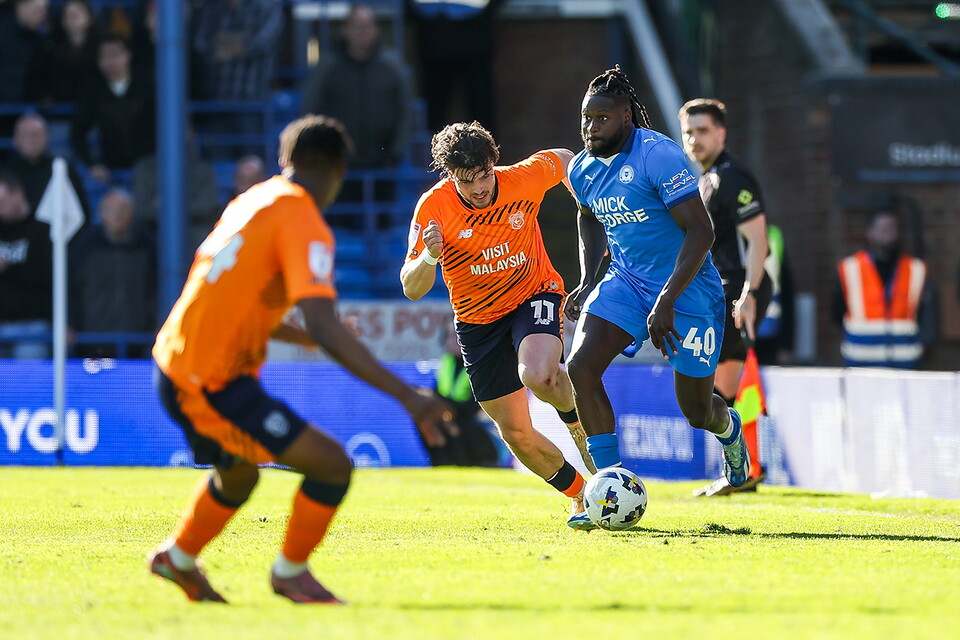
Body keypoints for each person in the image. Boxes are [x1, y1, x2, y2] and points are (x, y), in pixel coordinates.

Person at [148, 115, 453, 604]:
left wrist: (301, 331)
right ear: (332, 168)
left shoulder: (253, 201)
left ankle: (177, 559)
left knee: (240, 472)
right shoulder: (303, 218)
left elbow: (239, 295)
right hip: (209, 379)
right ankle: (290, 574)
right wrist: (408, 397)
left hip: (178, 360)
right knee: (331, 466)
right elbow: (325, 325)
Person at [563, 67, 750, 529]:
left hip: (688, 291)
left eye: (601, 119)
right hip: (626, 281)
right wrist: (590, 278)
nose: (591, 128)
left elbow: (701, 231)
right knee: (580, 368)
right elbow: (587, 215)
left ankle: (731, 434)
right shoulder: (582, 167)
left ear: (626, 117)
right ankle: (608, 484)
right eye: (586, 119)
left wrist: (666, 300)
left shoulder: (658, 155)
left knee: (697, 410)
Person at [400, 121, 596, 523]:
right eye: (468, 180)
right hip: (477, 323)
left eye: (485, 174)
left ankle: (580, 427)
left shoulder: (520, 179)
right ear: (451, 176)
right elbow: (411, 287)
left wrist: (588, 201)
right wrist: (428, 258)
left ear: (495, 163)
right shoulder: (433, 208)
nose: (480, 187)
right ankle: (583, 495)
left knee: (537, 374)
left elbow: (562, 160)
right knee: (516, 435)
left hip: (533, 292)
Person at [678, 98, 770, 496]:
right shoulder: (706, 178)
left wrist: (749, 294)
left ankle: (741, 473)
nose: (695, 139)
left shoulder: (732, 176)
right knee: (724, 386)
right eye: (689, 132)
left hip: (735, 290)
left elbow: (758, 239)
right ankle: (742, 472)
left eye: (702, 130)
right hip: (719, 290)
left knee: (720, 391)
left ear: (721, 133)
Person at [301, 4, 412, 173]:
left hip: (384, 164)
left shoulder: (392, 66)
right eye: (356, 26)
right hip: (337, 163)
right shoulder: (328, 66)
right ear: (345, 29)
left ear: (376, 30)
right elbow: (310, 108)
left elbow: (406, 111)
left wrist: (396, 152)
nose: (362, 32)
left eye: (367, 26)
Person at [832, 210, 931, 368]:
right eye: (883, 228)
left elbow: (922, 314)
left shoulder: (915, 269)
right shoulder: (851, 268)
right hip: (861, 362)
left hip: (905, 361)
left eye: (893, 228)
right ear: (870, 233)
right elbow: (837, 312)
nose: (889, 234)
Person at [69, 188, 155, 358]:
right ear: (100, 213)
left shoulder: (147, 245)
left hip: (136, 341)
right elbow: (72, 289)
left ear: (132, 213)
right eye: (111, 210)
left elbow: (154, 290)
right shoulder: (85, 246)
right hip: (91, 340)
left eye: (123, 210)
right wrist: (69, 324)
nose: (117, 216)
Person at [191, 0, 283, 158]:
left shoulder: (266, 6)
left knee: (254, 167)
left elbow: (262, 42)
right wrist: (242, 43)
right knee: (218, 169)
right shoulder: (212, 7)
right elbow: (200, 44)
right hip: (216, 105)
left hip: (252, 105)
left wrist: (223, 42)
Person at [405, 0, 503, 134]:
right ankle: (432, 151)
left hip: (474, 40)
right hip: (434, 40)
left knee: (480, 108)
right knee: (434, 111)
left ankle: (485, 152)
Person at [70, 32, 155, 184]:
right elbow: (77, 133)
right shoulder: (93, 91)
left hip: (149, 170)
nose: (110, 62)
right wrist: (93, 165)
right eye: (104, 56)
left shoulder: (148, 85)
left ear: (127, 55)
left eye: (115, 54)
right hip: (112, 172)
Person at [417, 321, 501, 467]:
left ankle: (473, 462)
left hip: (478, 424)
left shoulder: (479, 363)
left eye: (457, 336)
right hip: (451, 418)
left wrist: (447, 407)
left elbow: (475, 406)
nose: (453, 341)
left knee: (459, 425)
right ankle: (440, 464)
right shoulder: (446, 363)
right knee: (426, 419)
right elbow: (437, 393)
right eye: (449, 337)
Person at [131, 124, 220, 258]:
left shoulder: (203, 169)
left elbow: (207, 206)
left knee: (204, 237)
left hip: (193, 229)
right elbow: (141, 209)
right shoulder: (144, 167)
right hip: (153, 229)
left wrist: (168, 206)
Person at [0, 172, 52, 358]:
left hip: (33, 326)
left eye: (3, 202)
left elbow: (48, 275)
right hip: (2, 322)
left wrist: (9, 266)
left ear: (18, 195)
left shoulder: (42, 230)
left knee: (28, 384)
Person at [3, 113, 91, 220]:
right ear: (15, 140)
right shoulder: (5, 174)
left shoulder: (63, 168)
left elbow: (80, 212)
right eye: (26, 135)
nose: (32, 140)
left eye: (36, 134)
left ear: (47, 138)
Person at [754, 223, 795, 366]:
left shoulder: (773, 237)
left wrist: (786, 344)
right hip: (734, 335)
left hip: (769, 337)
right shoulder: (724, 232)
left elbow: (787, 295)